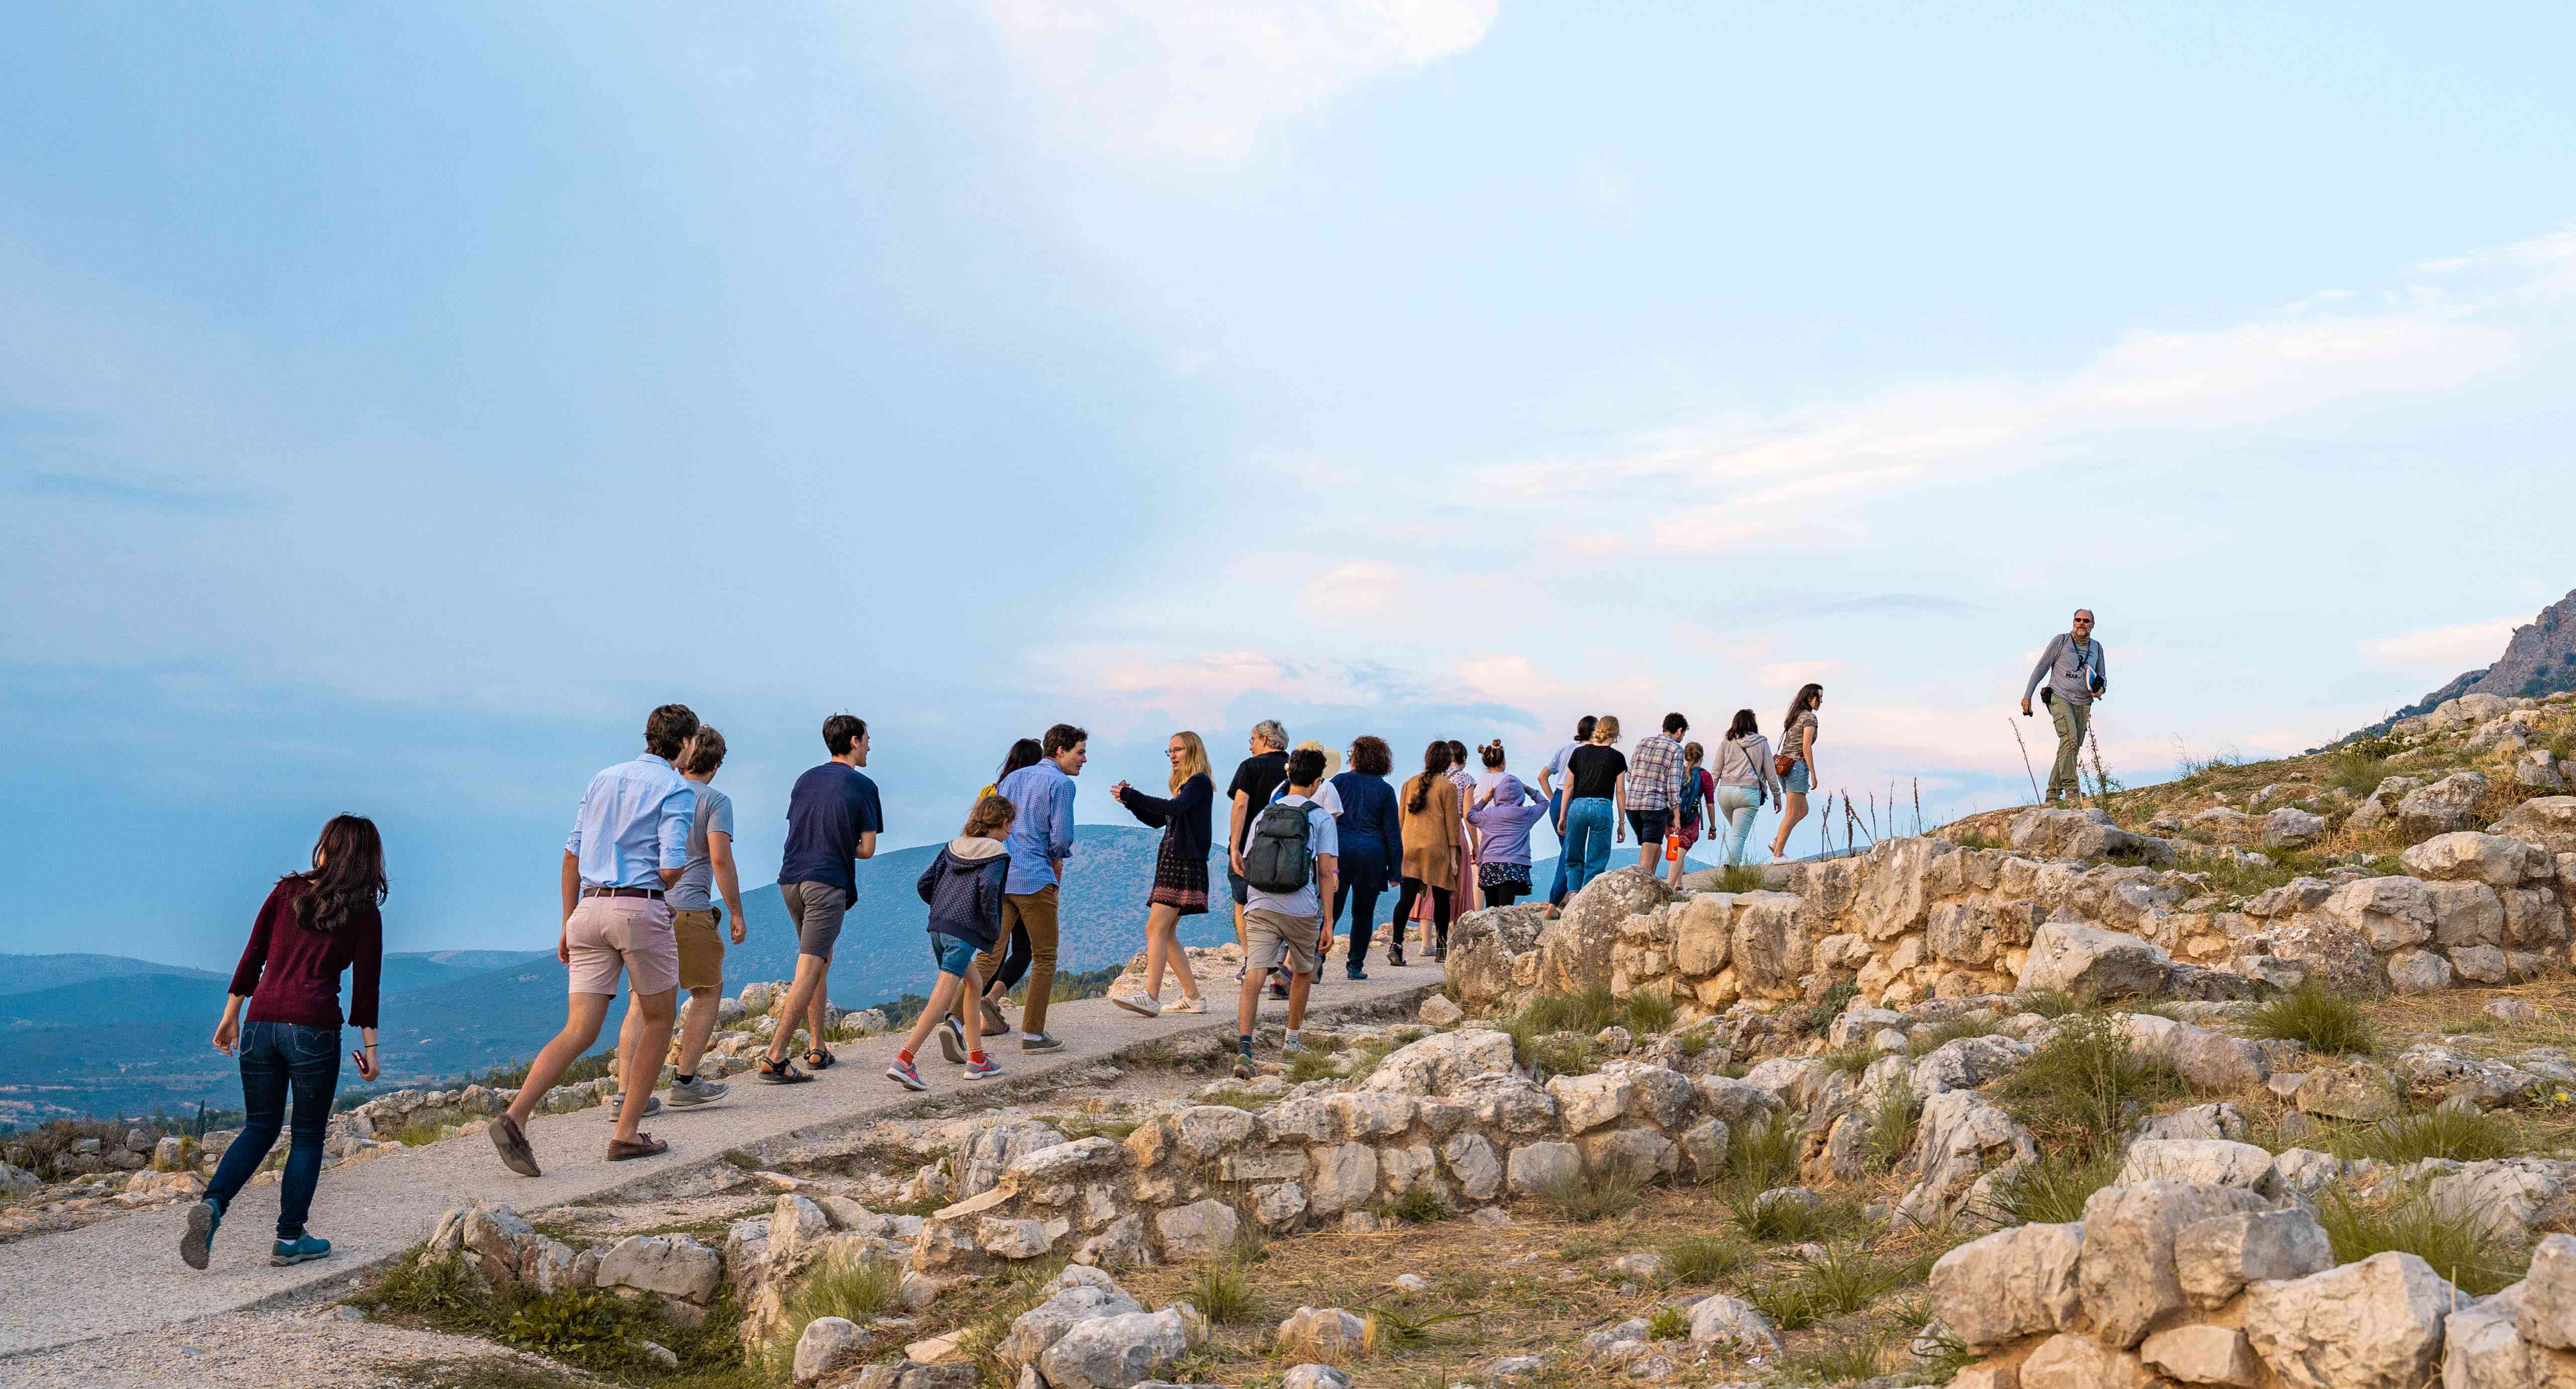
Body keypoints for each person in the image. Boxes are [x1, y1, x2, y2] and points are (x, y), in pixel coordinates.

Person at [491, 705, 699, 1178]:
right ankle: (627, 1135)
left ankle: (516, 1116)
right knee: (659, 1018)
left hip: (588, 909)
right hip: (639, 908)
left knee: (579, 1029)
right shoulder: (676, 788)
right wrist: (672, 877)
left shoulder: (602, 778)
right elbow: (669, 868)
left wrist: (568, 922)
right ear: (686, 743)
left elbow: (572, 855)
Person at [183, 815, 385, 1270]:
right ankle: (290, 1238)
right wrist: (371, 1052)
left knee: (259, 1127)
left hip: (260, 1023)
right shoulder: (363, 911)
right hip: (312, 1028)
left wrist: (230, 1016)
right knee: (308, 1135)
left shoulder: (286, 892)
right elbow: (366, 987)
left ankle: (213, 1204)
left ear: (327, 848)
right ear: (368, 859)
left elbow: (253, 955)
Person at [761, 712, 882, 1084]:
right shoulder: (863, 786)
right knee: (810, 966)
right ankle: (775, 1056)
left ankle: (817, 1046)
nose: (869, 747)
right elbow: (867, 850)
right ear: (854, 742)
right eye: (867, 740)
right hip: (826, 883)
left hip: (790, 880)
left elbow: (801, 828)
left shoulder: (805, 779)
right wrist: (841, 844)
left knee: (820, 960)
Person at [886, 796, 1013, 1089]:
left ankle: (977, 1058)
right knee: (942, 995)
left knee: (975, 983)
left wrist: (943, 909)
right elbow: (989, 888)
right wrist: (991, 928)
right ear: (1003, 823)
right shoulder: (996, 854)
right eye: (1010, 824)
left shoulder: (952, 847)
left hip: (939, 928)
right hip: (963, 933)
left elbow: (924, 883)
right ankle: (904, 1060)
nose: (1011, 831)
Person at [973, 722, 1083, 1053]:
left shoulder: (1011, 779)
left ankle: (955, 1020)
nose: (1084, 760)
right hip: (1035, 878)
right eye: (1080, 752)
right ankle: (1033, 1035)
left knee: (988, 955)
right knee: (1045, 956)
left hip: (1003, 874)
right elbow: (1061, 837)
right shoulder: (1061, 784)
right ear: (1061, 751)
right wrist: (1055, 856)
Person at [1231, 748, 1337, 1079]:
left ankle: (1244, 1049)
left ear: (1288, 775)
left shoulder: (1265, 813)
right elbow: (1325, 873)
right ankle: (1291, 1042)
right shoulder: (1320, 818)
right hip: (1301, 908)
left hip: (1260, 905)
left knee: (1254, 973)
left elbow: (1249, 859)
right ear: (1317, 782)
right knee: (1303, 970)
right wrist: (1329, 921)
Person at [1105, 731, 1214, 1017]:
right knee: (1165, 933)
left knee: (1155, 929)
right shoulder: (1187, 787)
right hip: (1174, 863)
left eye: (1178, 750)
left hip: (1181, 864)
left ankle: (1151, 997)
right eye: (1170, 751)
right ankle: (1193, 998)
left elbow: (1173, 809)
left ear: (1192, 751)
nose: (1173, 756)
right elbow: (1159, 819)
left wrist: (1133, 795)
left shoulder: (1199, 783)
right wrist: (1131, 803)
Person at [660, 728, 740, 1108]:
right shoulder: (715, 801)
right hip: (690, 907)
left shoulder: (661, 793)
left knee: (642, 1003)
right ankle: (686, 1082)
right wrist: (736, 911)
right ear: (717, 764)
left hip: (651, 907)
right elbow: (720, 858)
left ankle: (625, 1095)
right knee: (707, 992)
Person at [972, 739, 1044, 1034]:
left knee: (991, 951)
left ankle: (961, 1016)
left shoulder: (990, 792)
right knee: (1025, 949)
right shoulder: (1032, 795)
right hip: (1026, 879)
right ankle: (991, 1000)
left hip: (990, 878)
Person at [1328, 736, 1400, 981]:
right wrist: (1395, 870)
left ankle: (1316, 962)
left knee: (1331, 910)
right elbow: (1392, 832)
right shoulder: (1385, 790)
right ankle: (1355, 966)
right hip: (1372, 856)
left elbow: (1327, 818)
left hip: (1340, 854)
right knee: (1363, 913)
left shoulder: (1339, 782)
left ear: (1356, 758)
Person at [1223, 721, 1292, 965]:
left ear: (1264, 739)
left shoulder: (1250, 767)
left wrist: (1235, 847)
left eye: (1252, 740)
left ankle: (1251, 961)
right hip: (1288, 848)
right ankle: (1282, 960)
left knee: (1243, 901)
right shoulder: (1294, 768)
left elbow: (1241, 805)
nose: (1250, 746)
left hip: (1251, 847)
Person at [2022, 609, 2108, 804]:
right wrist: (2028, 695)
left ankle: (2053, 793)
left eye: (2086, 621)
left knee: (2071, 746)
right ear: (2073, 622)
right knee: (2069, 739)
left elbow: (2102, 676)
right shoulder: (2061, 641)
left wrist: (2101, 689)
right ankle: (2072, 790)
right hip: (2060, 697)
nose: (2082, 623)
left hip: (2084, 702)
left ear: (2093, 625)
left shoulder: (2097, 647)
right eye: (2078, 620)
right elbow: (2041, 668)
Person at [1392, 742, 1461, 963]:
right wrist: (1453, 859)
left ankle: (1396, 946)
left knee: (1405, 900)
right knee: (1441, 899)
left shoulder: (1408, 784)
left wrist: (1396, 854)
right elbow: (1452, 825)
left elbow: (1401, 820)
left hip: (1409, 847)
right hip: (1437, 849)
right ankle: (1441, 948)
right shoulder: (1448, 787)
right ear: (1447, 762)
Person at [1559, 715, 1626, 897]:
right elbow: (1620, 792)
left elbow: (1569, 786)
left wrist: (1563, 815)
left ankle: (1574, 894)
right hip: (1602, 807)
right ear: (1616, 735)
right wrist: (1622, 823)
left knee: (1574, 855)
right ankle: (1588, 896)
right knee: (1596, 860)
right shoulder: (1618, 758)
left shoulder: (1578, 753)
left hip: (1578, 806)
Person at [1535, 716, 1596, 916]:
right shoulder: (1590, 752)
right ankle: (1556, 900)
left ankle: (1566, 895)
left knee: (1568, 849)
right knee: (1570, 851)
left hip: (1559, 798)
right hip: (1575, 798)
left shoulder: (1564, 749)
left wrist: (1554, 799)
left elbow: (1542, 777)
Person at [1712, 710, 1784, 867]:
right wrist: (1777, 796)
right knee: (1738, 835)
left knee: (1736, 833)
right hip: (1747, 793)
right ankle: (1731, 869)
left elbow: (1716, 771)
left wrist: (1708, 795)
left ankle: (1735, 867)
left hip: (1725, 792)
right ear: (1753, 723)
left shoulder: (1726, 741)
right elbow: (1770, 772)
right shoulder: (1761, 742)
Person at [1467, 774, 1549, 907]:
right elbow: (1544, 803)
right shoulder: (1526, 814)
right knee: (1505, 910)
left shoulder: (1489, 814)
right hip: (1513, 866)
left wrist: (1485, 800)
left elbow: (1470, 816)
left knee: (1491, 910)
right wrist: (1527, 789)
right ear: (1520, 795)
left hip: (1489, 865)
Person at [1624, 713, 1689, 876]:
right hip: (1655, 806)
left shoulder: (1643, 743)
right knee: (1649, 850)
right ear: (1679, 730)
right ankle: (1643, 886)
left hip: (1632, 805)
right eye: (1683, 734)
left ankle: (1650, 881)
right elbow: (1673, 785)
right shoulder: (1676, 750)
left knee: (1654, 845)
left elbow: (1629, 775)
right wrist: (1677, 816)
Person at [1767, 685, 1824, 862]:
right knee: (1792, 812)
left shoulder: (1794, 716)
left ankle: (1777, 841)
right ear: (1809, 698)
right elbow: (1806, 747)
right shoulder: (1810, 718)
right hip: (1797, 766)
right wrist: (1813, 773)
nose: (1821, 701)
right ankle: (1778, 855)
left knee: (1803, 810)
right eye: (1819, 697)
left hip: (1784, 767)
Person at [1666, 740, 1717, 889]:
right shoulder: (1704, 775)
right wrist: (1713, 827)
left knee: (1678, 852)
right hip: (1689, 820)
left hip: (1670, 819)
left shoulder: (1677, 772)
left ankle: (1679, 886)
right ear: (1701, 757)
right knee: (1679, 853)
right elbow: (1710, 804)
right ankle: (1669, 888)